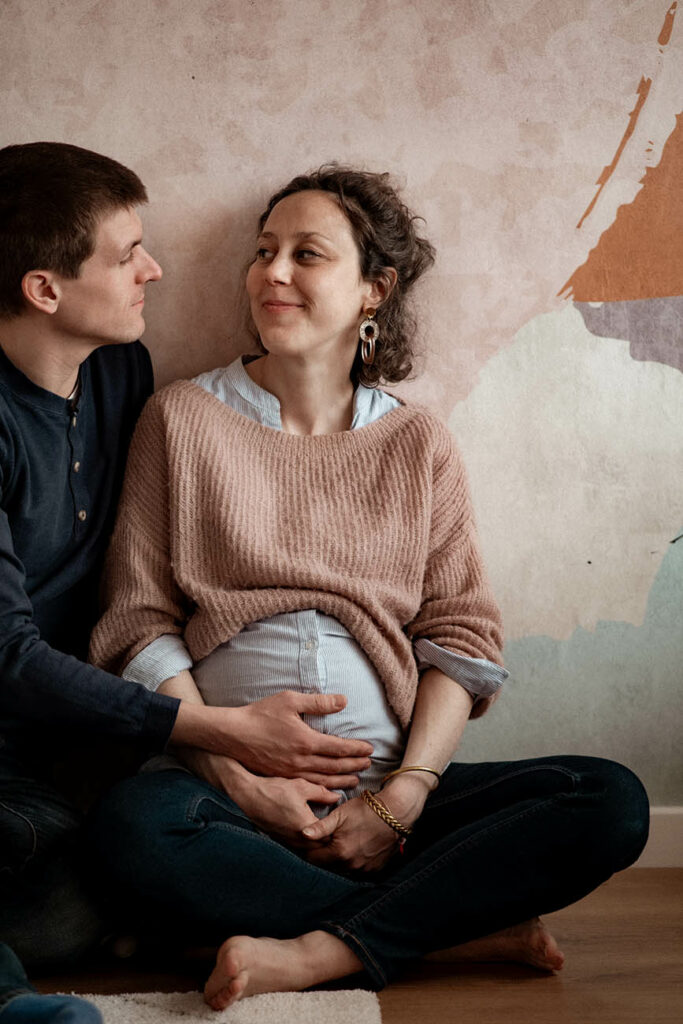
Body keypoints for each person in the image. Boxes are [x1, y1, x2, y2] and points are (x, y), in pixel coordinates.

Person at [87, 166, 649, 1011]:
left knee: (607, 800)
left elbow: (460, 641)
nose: (271, 272)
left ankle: (313, 947)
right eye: (263, 251)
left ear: (372, 290)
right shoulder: (181, 420)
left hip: (389, 792)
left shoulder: (416, 442)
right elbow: (137, 622)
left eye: (305, 254)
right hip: (219, 791)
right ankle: (449, 929)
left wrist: (399, 800)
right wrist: (238, 775)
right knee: (131, 827)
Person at [0, 146, 372, 1023]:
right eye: (128, 253)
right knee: (79, 891)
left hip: (51, 767)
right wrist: (223, 733)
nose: (154, 270)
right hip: (18, 735)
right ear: (45, 290)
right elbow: (8, 653)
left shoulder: (121, 372)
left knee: (87, 889)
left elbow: (148, 567)